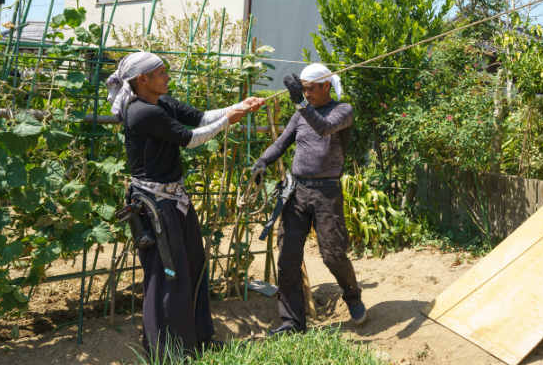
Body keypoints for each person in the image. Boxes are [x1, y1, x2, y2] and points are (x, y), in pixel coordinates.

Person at [107, 51, 263, 357]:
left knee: (193, 264)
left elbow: (200, 117)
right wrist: (228, 120)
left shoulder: (161, 103)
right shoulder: (141, 112)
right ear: (143, 79)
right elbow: (190, 138)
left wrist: (238, 107)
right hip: (154, 204)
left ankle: (200, 339)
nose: (167, 77)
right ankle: (167, 352)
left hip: (173, 200)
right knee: (166, 273)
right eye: (161, 73)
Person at [251, 63, 366, 337]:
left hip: (327, 193)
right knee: (288, 256)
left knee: (333, 254)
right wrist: (263, 161)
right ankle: (292, 322)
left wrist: (301, 103)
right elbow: (281, 143)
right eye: (302, 89)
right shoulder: (300, 114)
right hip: (297, 191)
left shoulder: (342, 111)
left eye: (309, 89)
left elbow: (324, 128)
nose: (305, 94)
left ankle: (352, 296)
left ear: (326, 86)